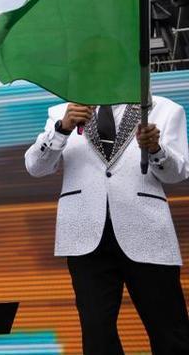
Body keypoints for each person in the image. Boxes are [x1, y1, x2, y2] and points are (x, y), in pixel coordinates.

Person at [24, 99, 189, 354]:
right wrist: (61, 130)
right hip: (85, 234)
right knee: (97, 335)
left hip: (147, 231)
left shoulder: (164, 108)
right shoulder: (62, 112)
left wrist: (156, 150)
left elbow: (177, 174)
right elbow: (36, 167)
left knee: (169, 330)